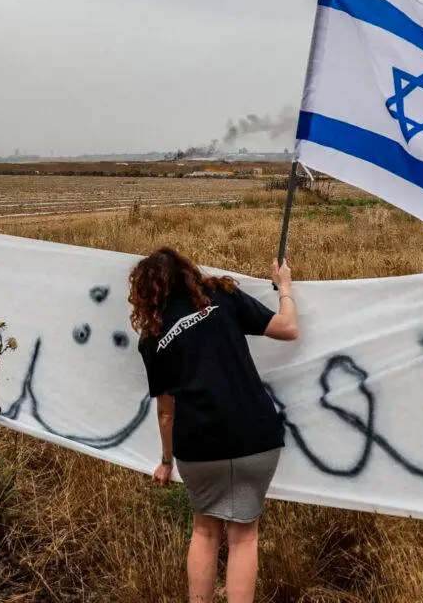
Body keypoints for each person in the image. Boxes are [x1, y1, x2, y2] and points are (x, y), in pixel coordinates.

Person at [128, 247, 299, 603]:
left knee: (204, 532)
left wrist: (165, 461)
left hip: (199, 447)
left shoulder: (152, 339)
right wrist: (284, 286)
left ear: (145, 294)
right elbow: (288, 328)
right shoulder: (221, 295)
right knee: (244, 537)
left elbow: (166, 412)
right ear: (187, 271)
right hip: (256, 435)